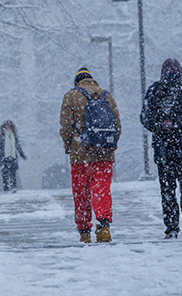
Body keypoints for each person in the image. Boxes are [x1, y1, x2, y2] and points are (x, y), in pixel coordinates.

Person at [141, 58, 182, 239]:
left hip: (164, 151)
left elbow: (145, 118)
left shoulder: (154, 90)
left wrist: (162, 128)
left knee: (167, 189)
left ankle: (171, 227)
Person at [59, 67, 121, 243]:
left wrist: (69, 146)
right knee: (102, 189)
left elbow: (65, 126)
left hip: (81, 154)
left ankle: (84, 231)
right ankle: (103, 226)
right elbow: (117, 125)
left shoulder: (71, 95)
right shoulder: (107, 95)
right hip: (104, 153)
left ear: (77, 81)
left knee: (81, 192)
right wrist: (108, 145)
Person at [0, 120, 27, 192]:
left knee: (13, 173)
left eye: (9, 126)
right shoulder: (1, 137)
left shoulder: (14, 137)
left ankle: (13, 187)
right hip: (4, 157)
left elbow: (18, 147)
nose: (7, 128)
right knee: (5, 173)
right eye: (6, 127)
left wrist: (22, 155)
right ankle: (6, 188)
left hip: (13, 156)